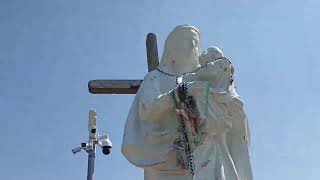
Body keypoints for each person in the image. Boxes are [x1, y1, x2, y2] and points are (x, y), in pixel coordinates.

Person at [122, 25, 253, 180]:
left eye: (196, 42)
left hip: (207, 158)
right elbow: (147, 108)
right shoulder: (155, 78)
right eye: (187, 41)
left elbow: (228, 110)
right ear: (172, 49)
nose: (193, 46)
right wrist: (178, 94)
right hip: (166, 161)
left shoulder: (205, 75)